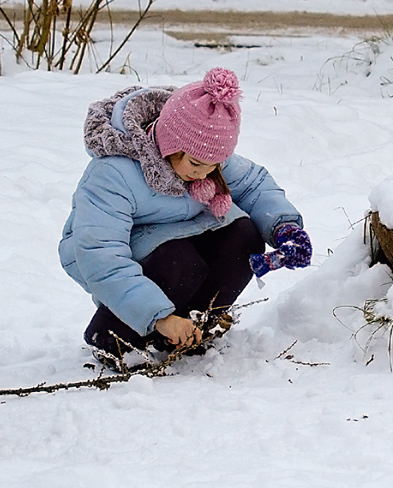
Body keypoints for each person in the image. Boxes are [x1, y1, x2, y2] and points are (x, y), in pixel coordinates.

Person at [58, 67, 311, 366]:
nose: (204, 173)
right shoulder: (113, 173)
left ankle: (193, 326)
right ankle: (114, 337)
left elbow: (253, 184)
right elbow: (100, 254)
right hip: (115, 253)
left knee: (243, 236)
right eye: (196, 163)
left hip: (175, 236)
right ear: (169, 142)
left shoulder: (204, 153)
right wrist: (159, 316)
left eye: (214, 165)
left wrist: (284, 228)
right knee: (179, 260)